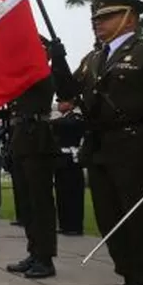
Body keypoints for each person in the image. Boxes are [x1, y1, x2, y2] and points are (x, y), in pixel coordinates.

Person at [49, 0, 143, 285]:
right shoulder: (94, 58)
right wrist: (58, 59)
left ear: (130, 17)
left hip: (135, 145)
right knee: (110, 220)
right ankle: (130, 282)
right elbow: (68, 95)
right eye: (96, 17)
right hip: (101, 147)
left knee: (139, 220)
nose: (98, 22)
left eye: (106, 16)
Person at [3, 37, 59, 279]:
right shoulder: (23, 77)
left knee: (40, 201)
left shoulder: (43, 73)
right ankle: (34, 251)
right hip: (21, 139)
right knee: (25, 202)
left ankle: (45, 257)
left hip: (37, 138)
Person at [51, 98, 86, 236]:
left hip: (71, 158)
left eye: (63, 102)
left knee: (73, 192)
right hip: (61, 159)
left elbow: (67, 124)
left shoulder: (76, 117)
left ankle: (74, 225)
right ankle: (65, 223)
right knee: (62, 193)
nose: (59, 104)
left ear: (71, 104)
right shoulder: (62, 118)